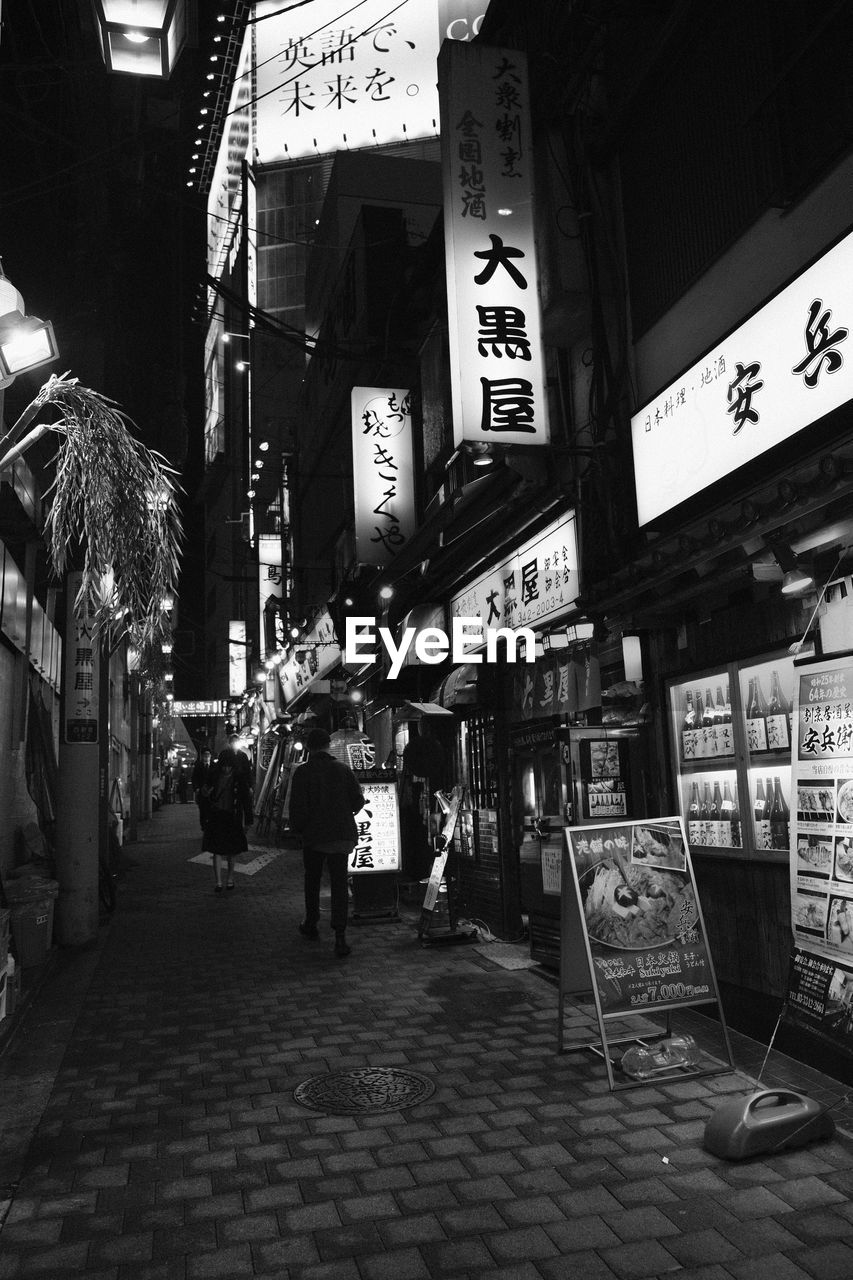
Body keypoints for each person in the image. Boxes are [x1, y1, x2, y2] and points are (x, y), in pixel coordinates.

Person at [289, 726, 365, 957]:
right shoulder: (343, 770)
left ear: (309, 748)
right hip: (341, 836)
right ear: (328, 745)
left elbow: (297, 807)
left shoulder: (303, 772)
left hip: (314, 836)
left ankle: (311, 923)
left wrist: (299, 830)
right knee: (339, 884)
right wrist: (343, 814)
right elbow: (358, 801)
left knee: (312, 881)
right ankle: (340, 936)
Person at [203, 747, 254, 894]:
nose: (226, 769)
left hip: (233, 816)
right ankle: (218, 882)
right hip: (217, 815)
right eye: (224, 766)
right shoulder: (214, 776)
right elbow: (204, 794)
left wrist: (248, 820)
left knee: (232, 851)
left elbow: (246, 800)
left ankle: (230, 878)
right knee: (217, 850)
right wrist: (206, 792)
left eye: (229, 766)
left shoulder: (239, 778)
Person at [191, 747, 214, 831]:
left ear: (211, 756)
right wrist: (196, 788)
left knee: (211, 810)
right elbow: (194, 778)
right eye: (205, 755)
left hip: (212, 792)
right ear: (202, 756)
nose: (206, 756)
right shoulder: (198, 766)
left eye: (208, 755)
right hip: (201, 792)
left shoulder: (214, 766)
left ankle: (210, 827)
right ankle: (204, 826)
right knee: (203, 810)